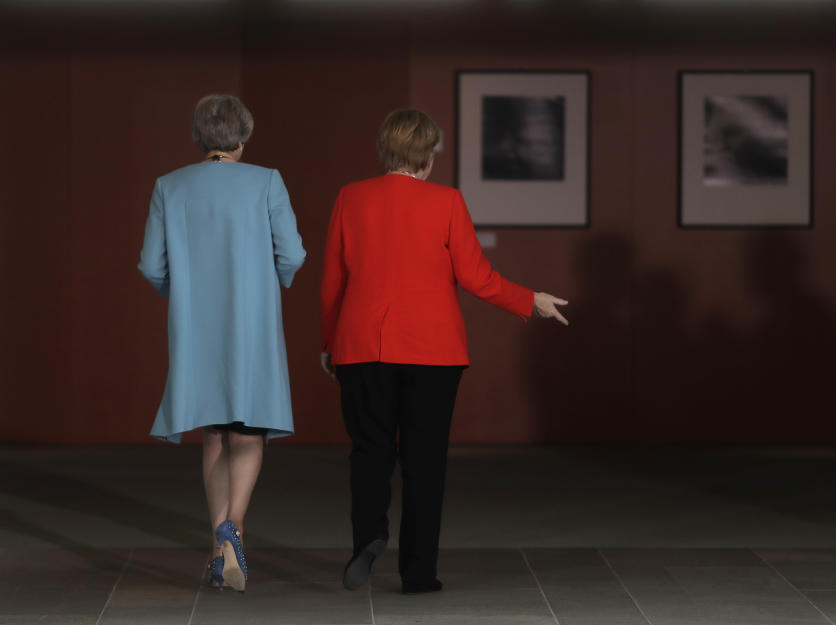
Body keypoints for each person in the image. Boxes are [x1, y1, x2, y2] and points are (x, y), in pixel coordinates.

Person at [320, 109, 568, 595]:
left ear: (384, 150)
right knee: (425, 460)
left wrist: (330, 344)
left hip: (362, 344)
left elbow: (333, 284)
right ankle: (417, 574)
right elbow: (477, 278)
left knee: (369, 452)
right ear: (427, 157)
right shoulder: (447, 202)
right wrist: (529, 300)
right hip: (433, 351)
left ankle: (368, 539)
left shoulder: (350, 197)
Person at [138, 94, 306, 592]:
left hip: (195, 324)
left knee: (214, 433)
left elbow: (150, 265)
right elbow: (293, 254)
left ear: (198, 136)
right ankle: (233, 528)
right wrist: (270, 278)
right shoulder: (265, 181)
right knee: (249, 431)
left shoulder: (169, 186)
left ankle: (218, 550)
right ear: (242, 137)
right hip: (250, 318)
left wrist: (183, 294)